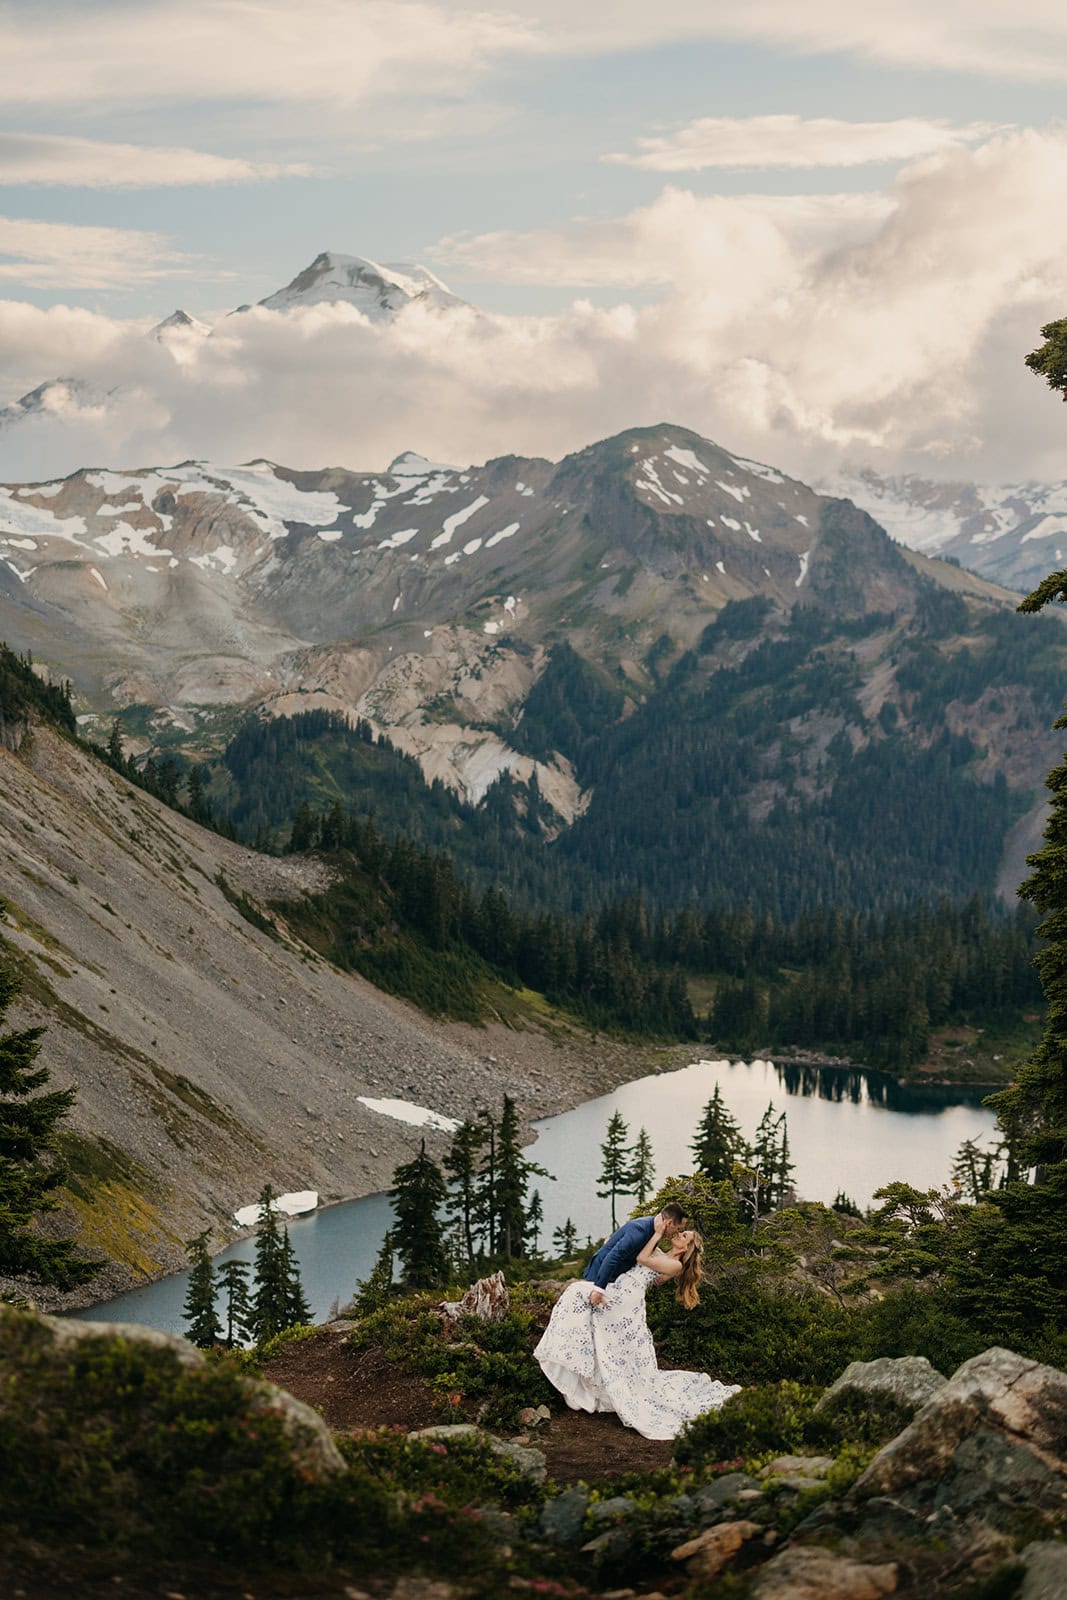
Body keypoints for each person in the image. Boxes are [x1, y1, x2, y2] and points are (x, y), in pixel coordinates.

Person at [535, 1214, 740, 1439]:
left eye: (684, 1235)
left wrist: (659, 1233)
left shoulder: (674, 1264)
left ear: (686, 1248)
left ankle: (583, 1380)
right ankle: (581, 1377)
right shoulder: (666, 1256)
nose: (679, 1234)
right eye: (681, 1231)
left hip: (624, 1300)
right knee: (597, 1329)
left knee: (579, 1300)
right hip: (623, 1292)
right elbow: (647, 1271)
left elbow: (642, 1258)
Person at [583, 1202, 687, 1308]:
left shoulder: (655, 1229)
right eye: (679, 1228)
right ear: (669, 1223)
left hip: (618, 1281)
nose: (678, 1232)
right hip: (600, 1275)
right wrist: (599, 1289)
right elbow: (614, 1256)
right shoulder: (641, 1230)